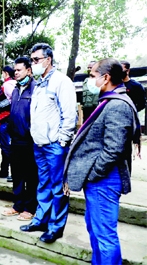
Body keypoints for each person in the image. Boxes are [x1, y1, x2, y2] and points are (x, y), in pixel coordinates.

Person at [65, 58, 140, 265]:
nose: (90, 80)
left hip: (104, 180)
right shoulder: (110, 101)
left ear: (105, 78)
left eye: (92, 76)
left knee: (104, 236)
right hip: (100, 180)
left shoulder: (117, 105)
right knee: (96, 231)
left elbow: (113, 149)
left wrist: (93, 173)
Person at [20, 43, 76, 244]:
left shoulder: (62, 81)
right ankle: (40, 220)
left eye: (36, 60)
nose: (33, 64)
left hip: (55, 145)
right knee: (43, 184)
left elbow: (69, 115)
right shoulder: (39, 83)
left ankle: (55, 227)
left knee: (58, 186)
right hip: (39, 144)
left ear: (48, 60)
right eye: (32, 60)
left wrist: (62, 140)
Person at [2, 57, 39, 222]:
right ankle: (17, 205)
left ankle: (30, 208)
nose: (15, 73)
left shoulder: (36, 88)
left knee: (31, 176)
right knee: (16, 174)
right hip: (15, 138)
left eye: (19, 70)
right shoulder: (16, 88)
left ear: (29, 71)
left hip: (30, 140)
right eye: (14, 70)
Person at [0, 66, 17, 181]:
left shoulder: (7, 85)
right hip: (7, 120)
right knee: (5, 147)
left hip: (6, 120)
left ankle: (12, 172)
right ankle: (4, 170)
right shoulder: (13, 83)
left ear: (6, 74)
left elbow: (14, 100)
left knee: (6, 147)